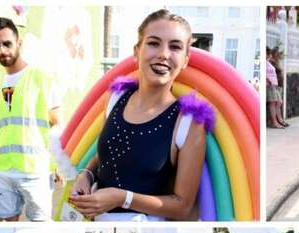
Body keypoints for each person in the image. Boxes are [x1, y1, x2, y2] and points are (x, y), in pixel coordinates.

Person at [69, 10, 207, 221]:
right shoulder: (116, 98)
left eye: (175, 47)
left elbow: (183, 206)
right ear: (137, 51)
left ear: (185, 60)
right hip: (97, 225)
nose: (163, 54)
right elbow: (107, 154)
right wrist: (86, 175)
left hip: (146, 229)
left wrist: (122, 198)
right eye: (154, 43)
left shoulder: (188, 122)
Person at [0, 17, 60, 222]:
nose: (2, 50)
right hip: (4, 172)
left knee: (39, 230)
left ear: (19, 43)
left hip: (36, 171)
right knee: (6, 229)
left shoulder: (42, 78)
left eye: (7, 44)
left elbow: (57, 123)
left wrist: (59, 162)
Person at [266, 47, 285, 129]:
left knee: (278, 102)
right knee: (274, 103)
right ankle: (275, 121)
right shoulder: (271, 62)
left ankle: (278, 120)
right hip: (272, 85)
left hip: (275, 84)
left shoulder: (270, 62)